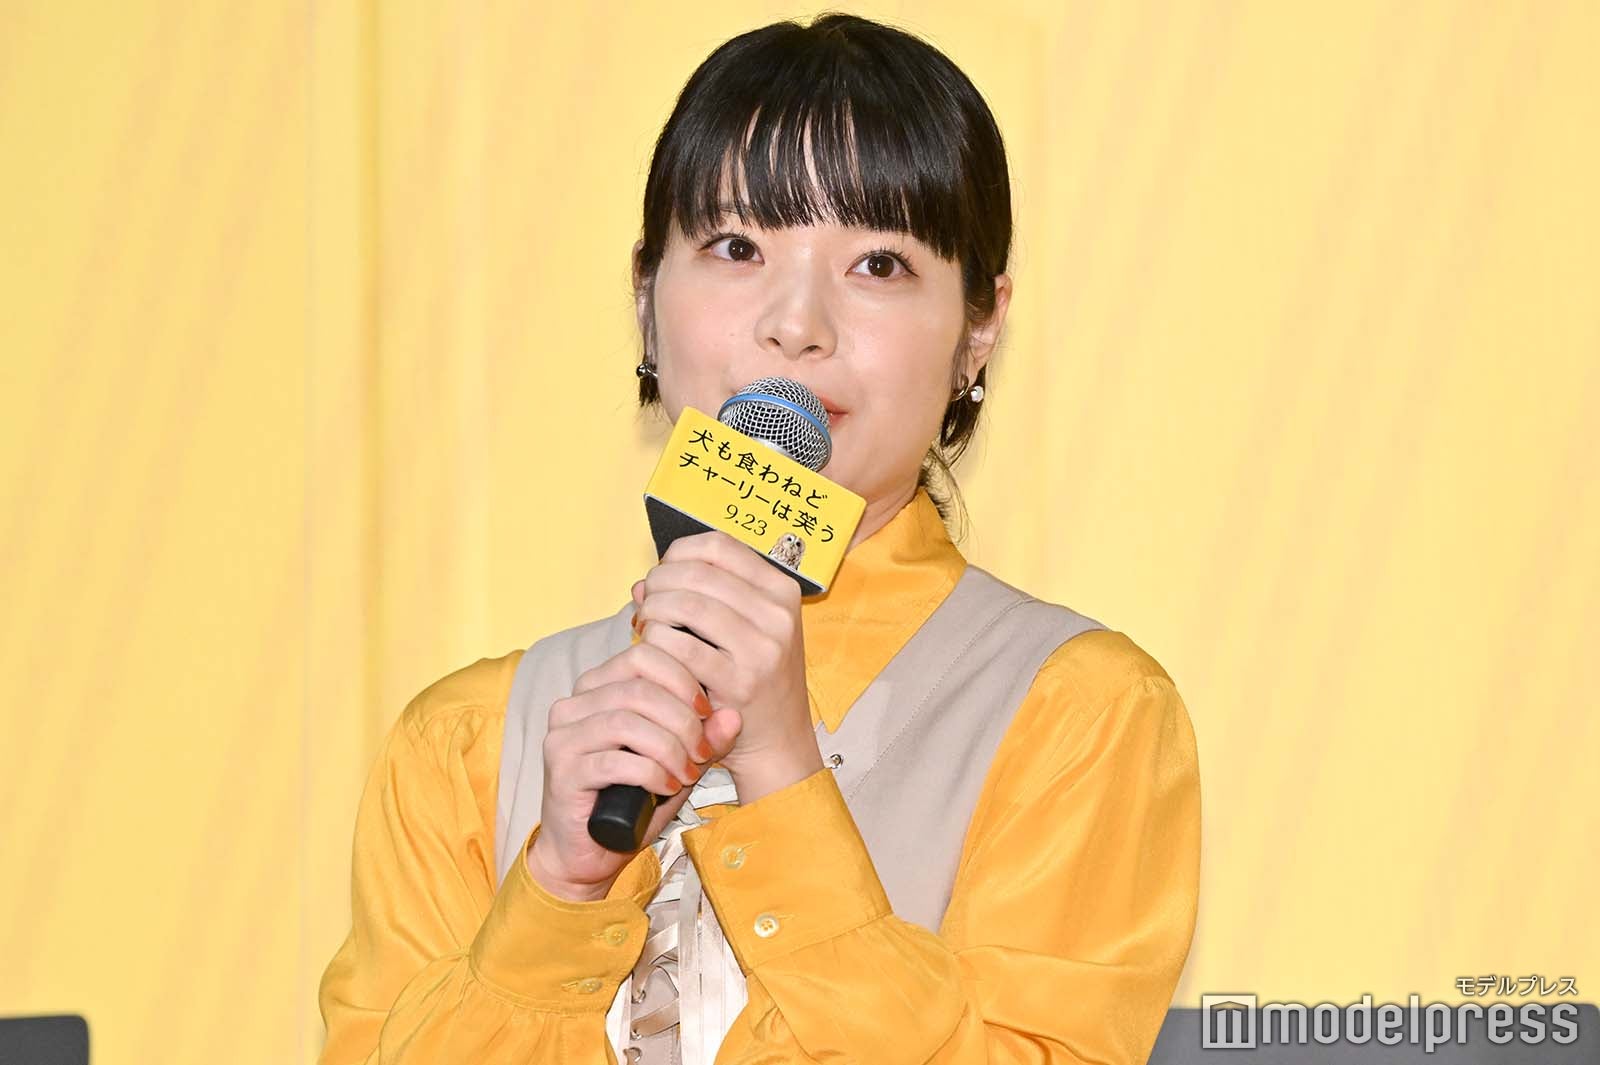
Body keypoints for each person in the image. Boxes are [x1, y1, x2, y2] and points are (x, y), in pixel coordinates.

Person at [317, 13, 1200, 1064]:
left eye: (878, 263)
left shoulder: (1077, 717)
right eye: (736, 248)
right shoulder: (465, 743)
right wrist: (558, 884)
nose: (796, 323)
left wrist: (782, 771)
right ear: (646, 295)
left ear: (979, 326)